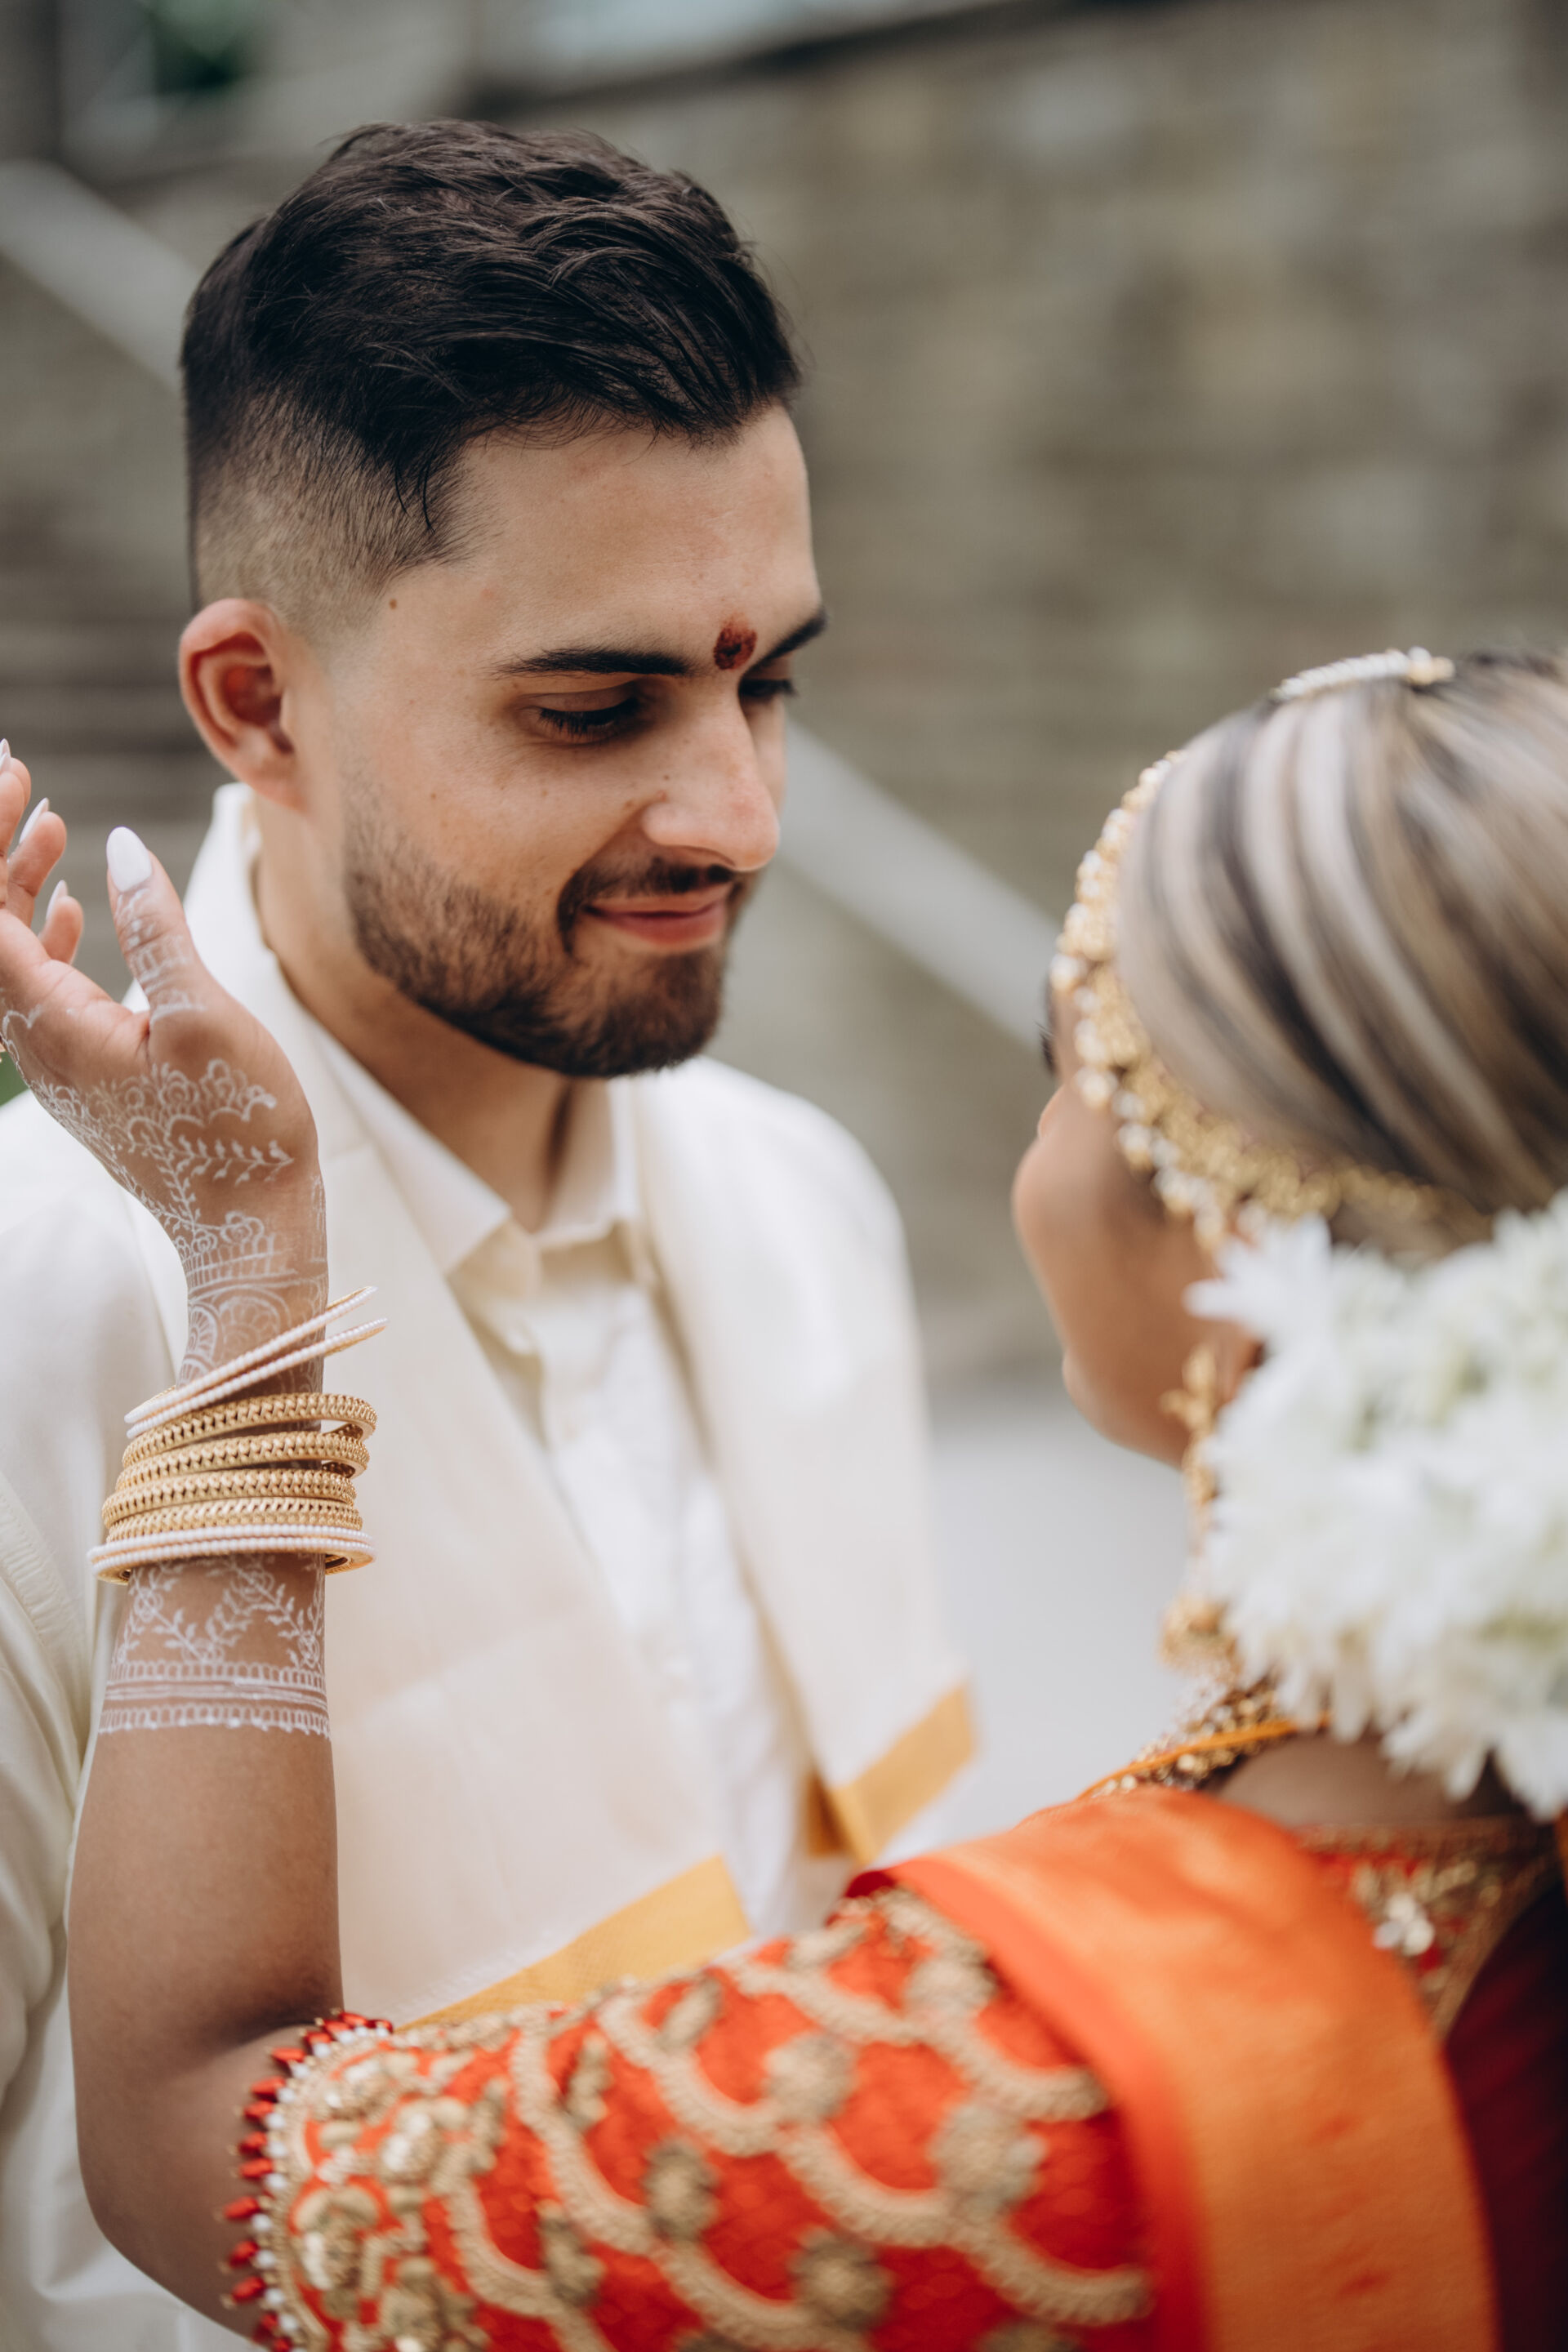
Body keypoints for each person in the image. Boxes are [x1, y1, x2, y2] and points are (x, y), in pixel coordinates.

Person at [7, 643, 1567, 2350]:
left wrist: (249, 1274)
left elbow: (212, 2136)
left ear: (1234, 1255)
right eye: (591, 709)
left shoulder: (965, 2120)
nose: (743, 823)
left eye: (1068, 1070)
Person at [0, 124, 969, 2349]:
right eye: (595, 709)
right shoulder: (47, 1311)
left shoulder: (803, 1198)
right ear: (259, 706)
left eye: (768, 678)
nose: (740, 813)